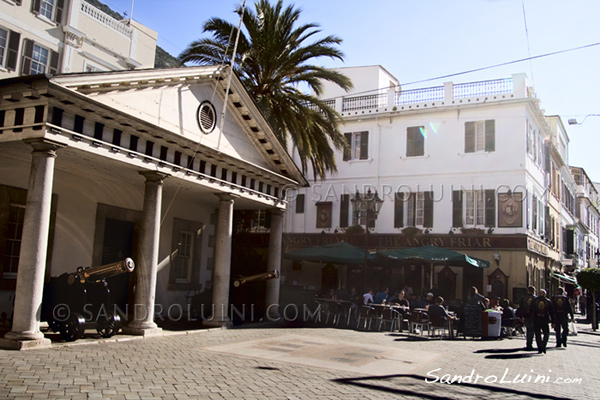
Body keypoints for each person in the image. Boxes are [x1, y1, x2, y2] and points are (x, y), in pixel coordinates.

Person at [531, 289, 553, 354]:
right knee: (545, 334)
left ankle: (540, 347)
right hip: (544, 320)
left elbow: (531, 310)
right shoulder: (548, 301)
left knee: (538, 334)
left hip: (538, 319)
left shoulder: (535, 301)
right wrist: (553, 321)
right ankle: (542, 346)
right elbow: (552, 312)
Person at [517, 286, 536, 351]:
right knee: (532, 330)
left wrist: (521, 316)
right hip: (533, 317)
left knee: (528, 330)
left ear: (528, 291)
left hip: (526, 316)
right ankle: (530, 344)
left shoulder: (523, 298)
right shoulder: (535, 298)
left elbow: (521, 308)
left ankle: (528, 344)